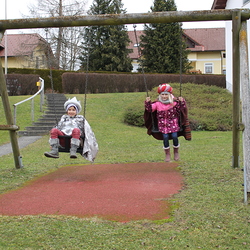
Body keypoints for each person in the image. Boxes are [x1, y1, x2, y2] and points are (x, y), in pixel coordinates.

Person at [44, 97, 98, 162]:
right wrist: (51, 144)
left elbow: (87, 131)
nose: (71, 111)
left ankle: (73, 150)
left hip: (75, 141)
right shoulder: (64, 118)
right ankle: (54, 150)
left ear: (76, 111)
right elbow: (58, 128)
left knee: (76, 130)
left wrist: (86, 144)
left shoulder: (80, 119)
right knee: (54, 130)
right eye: (69, 110)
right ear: (67, 111)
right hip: (63, 140)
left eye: (73, 110)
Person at [145, 83, 187, 162]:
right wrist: (148, 103)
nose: (164, 96)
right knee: (165, 137)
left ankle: (176, 151)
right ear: (160, 95)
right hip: (163, 125)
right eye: (162, 94)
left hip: (173, 124)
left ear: (170, 94)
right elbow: (150, 110)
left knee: (175, 136)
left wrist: (182, 102)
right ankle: (167, 154)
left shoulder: (174, 103)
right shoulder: (157, 104)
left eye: (166, 94)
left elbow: (181, 108)